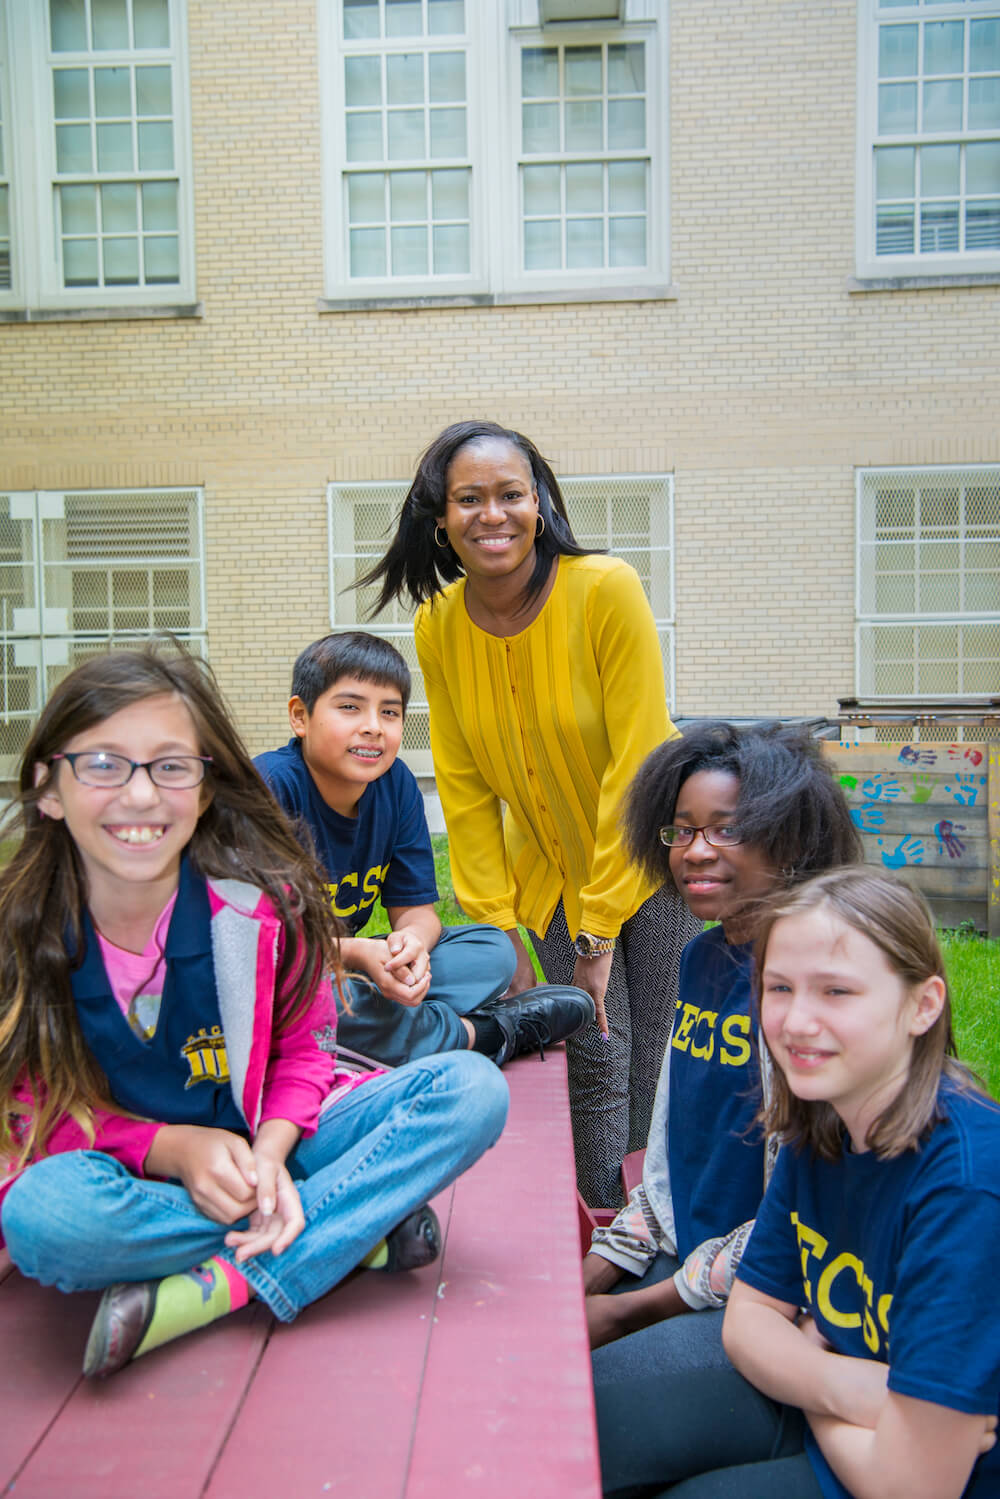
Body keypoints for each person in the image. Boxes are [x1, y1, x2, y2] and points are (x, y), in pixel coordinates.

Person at [0, 644, 510, 1380]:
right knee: (45, 1219)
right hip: (130, 1173)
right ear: (50, 786)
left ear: (205, 789)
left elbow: (306, 1051)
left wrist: (269, 1154)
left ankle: (225, 1281)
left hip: (277, 1142)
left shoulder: (256, 907)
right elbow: (31, 1113)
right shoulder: (27, 931)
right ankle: (351, 1232)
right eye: (104, 764)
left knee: (471, 1091)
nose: (141, 795)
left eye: (171, 766)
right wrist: (173, 1147)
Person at [359, 420, 701, 1207]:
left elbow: (641, 758)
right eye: (469, 498)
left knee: (649, 1055)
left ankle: (652, 1229)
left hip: (651, 855)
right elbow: (466, 780)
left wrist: (599, 929)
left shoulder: (605, 588)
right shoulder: (437, 625)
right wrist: (498, 927)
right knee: (590, 1049)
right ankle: (595, 1224)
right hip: (546, 870)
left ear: (540, 502)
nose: (493, 514)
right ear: (439, 518)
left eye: (510, 494)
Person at [596, 869, 1000, 1499]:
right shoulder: (827, 1115)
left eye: (837, 992)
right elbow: (750, 1320)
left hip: (916, 1471)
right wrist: (842, 1383)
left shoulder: (968, 1189)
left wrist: (813, 1369)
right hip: (851, 1405)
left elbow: (912, 1485)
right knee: (589, 1422)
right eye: (779, 987)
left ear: (923, 1005)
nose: (797, 1022)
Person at [584, 723, 861, 1384]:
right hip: (685, 1258)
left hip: (769, 1299)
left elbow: (797, 1219)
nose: (695, 851)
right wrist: (588, 1277)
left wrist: (626, 1313)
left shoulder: (809, 984)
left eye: (726, 829)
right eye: (681, 830)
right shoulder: (700, 955)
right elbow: (670, 1150)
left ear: (789, 842)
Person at [254, 631, 593, 1068]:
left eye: (389, 712)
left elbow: (417, 911)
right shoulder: (269, 789)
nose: (373, 726)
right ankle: (485, 1033)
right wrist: (358, 953)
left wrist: (409, 947)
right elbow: (256, 941)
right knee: (315, 1001)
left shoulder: (395, 786)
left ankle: (379, 1030)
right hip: (273, 975)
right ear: (300, 717)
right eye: (350, 707)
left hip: (348, 971)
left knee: (492, 951)